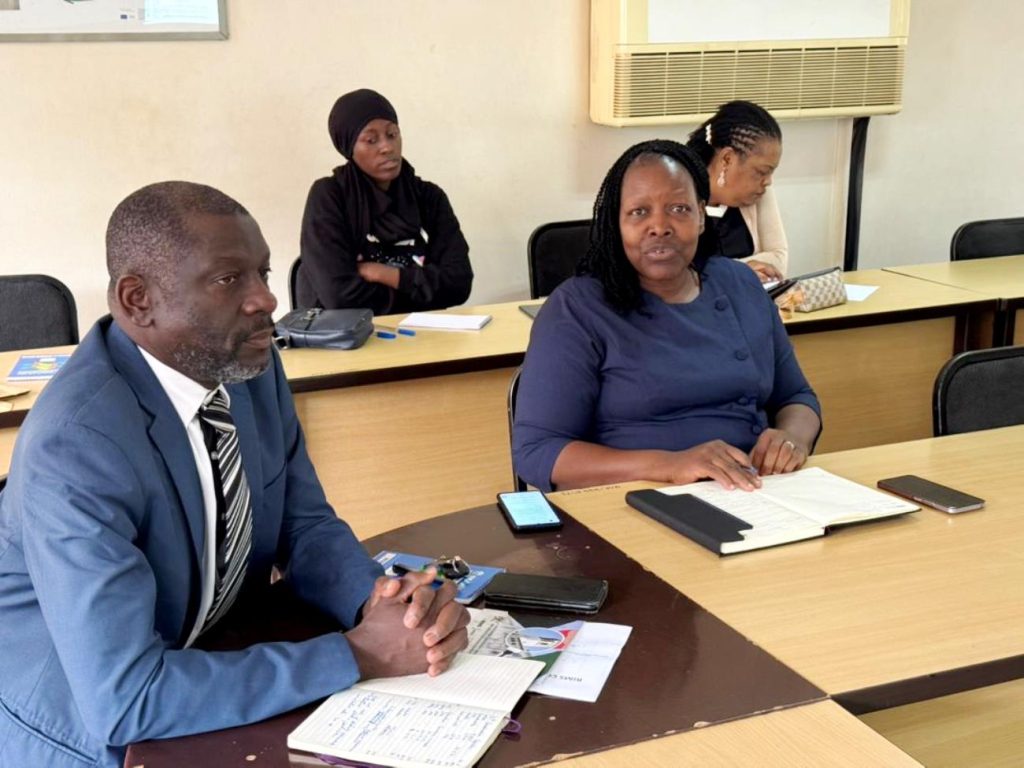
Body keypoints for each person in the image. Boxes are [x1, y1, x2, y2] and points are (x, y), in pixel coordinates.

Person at [0, 181, 469, 768]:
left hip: (214, 655)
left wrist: (385, 606)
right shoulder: (76, 444)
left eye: (264, 274)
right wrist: (359, 654)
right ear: (138, 300)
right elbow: (125, 698)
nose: (265, 299)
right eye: (229, 280)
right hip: (88, 730)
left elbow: (305, 525)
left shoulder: (248, 364)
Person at [512, 140, 821, 493]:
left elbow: (797, 396)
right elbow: (538, 452)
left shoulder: (740, 284)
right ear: (616, 223)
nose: (659, 226)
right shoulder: (576, 309)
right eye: (639, 212)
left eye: (678, 208)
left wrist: (792, 439)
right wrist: (671, 465)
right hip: (631, 499)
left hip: (756, 490)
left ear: (701, 215)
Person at [297, 88, 473, 314]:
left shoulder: (429, 197)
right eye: (371, 140)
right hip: (351, 334)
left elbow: (459, 283)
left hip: (424, 330)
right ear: (349, 147)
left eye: (392, 134)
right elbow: (339, 297)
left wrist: (385, 274)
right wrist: (421, 290)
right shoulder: (330, 196)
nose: (387, 147)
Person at [686, 100, 788, 281]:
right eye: (761, 172)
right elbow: (676, 276)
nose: (768, 182)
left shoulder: (758, 192)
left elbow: (779, 261)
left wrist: (720, 272)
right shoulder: (677, 196)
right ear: (727, 159)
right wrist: (740, 271)